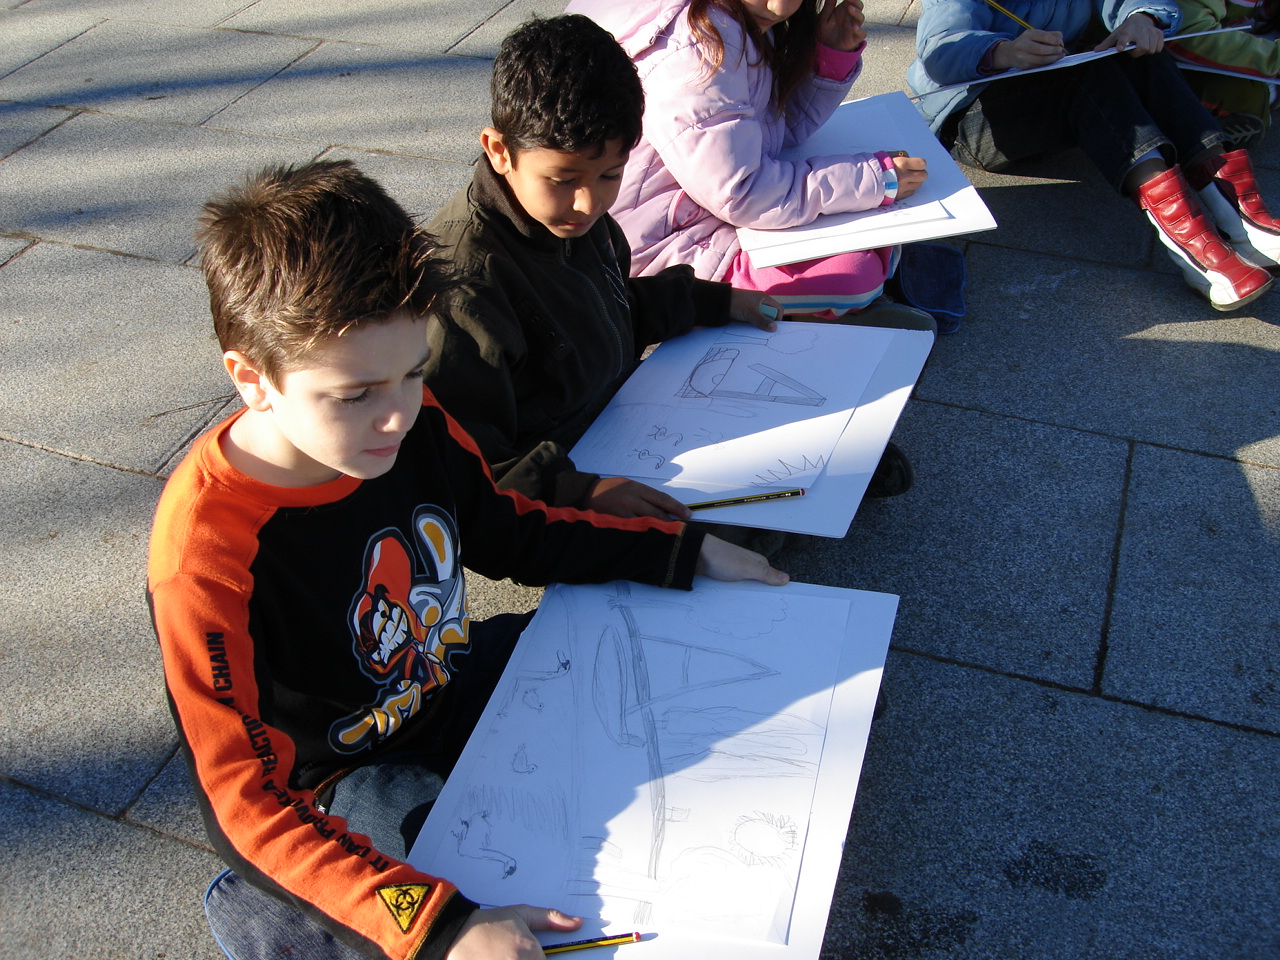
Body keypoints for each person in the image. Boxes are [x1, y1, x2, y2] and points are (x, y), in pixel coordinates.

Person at [148, 158, 788, 960]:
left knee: (637, 638)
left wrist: (680, 551)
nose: (396, 416)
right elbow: (242, 800)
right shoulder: (207, 554)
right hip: (352, 771)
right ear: (253, 380)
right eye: (356, 395)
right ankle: (268, 911)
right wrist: (443, 925)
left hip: (449, 679)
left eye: (412, 373)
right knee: (473, 905)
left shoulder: (413, 417)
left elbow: (511, 529)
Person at [424, 13, 917, 520]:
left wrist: (716, 300)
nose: (588, 202)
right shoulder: (462, 289)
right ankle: (806, 488)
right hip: (570, 469)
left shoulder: (569, 217)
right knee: (718, 532)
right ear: (500, 151)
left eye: (611, 175)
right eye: (563, 178)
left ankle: (819, 472)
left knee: (895, 334)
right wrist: (580, 492)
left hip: (631, 408)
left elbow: (617, 305)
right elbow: (466, 468)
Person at [564, 0, 935, 322]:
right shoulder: (695, 46)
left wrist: (828, 58)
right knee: (855, 274)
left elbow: (769, 132)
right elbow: (742, 193)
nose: (781, 7)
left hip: (695, 207)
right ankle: (807, 319)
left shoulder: (727, 16)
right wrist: (870, 181)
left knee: (868, 239)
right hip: (651, 251)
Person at [908, 0, 1280, 312]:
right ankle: (1193, 250)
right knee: (1088, 76)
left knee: (1142, 53)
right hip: (969, 113)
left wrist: (1142, 17)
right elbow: (940, 49)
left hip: (1047, 83)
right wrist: (1004, 51)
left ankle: (1241, 215)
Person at [1167, 0, 1280, 150]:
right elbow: (1191, 36)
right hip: (1164, 67)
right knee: (1246, 95)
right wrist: (1274, 58)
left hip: (1235, 48)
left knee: (1253, 95)